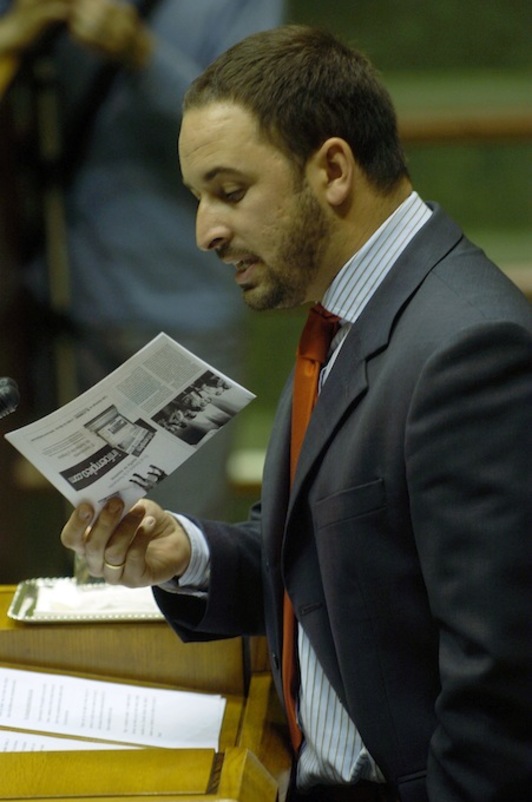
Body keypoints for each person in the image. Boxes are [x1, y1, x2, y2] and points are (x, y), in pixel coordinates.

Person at [59, 25, 532, 802]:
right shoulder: (347, 314)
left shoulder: (467, 353)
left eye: (229, 191)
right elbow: (337, 565)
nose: (205, 231)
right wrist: (187, 553)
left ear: (334, 170)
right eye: (199, 197)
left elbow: (501, 702)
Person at [0, 0, 284, 520]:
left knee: (178, 543)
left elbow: (256, 130)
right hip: (61, 313)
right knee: (84, 552)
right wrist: (19, 29)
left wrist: (141, 53)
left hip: (184, 320)